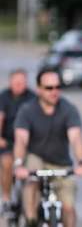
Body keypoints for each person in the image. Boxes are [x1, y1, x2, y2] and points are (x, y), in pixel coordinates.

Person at [13, 66, 82, 227]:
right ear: (39, 89)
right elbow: (21, 139)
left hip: (61, 163)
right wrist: (19, 163)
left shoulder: (68, 109)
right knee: (31, 179)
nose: (54, 91)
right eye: (48, 87)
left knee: (69, 207)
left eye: (57, 87)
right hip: (37, 158)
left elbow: (76, 137)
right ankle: (30, 221)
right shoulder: (28, 110)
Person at [0, 69, 36, 211]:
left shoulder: (32, 98)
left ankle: (32, 203)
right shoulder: (4, 96)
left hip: (29, 142)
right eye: (16, 82)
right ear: (11, 82)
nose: (19, 85)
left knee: (34, 168)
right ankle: (6, 198)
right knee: (7, 163)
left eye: (22, 82)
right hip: (9, 141)